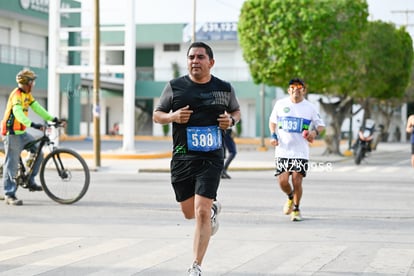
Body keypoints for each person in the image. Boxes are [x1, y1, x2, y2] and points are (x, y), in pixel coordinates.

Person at [153, 41, 241, 276]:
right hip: (182, 157)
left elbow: (236, 111)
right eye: (191, 57)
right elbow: (157, 115)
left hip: (211, 157)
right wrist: (173, 116)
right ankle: (211, 208)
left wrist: (231, 121)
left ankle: (196, 265)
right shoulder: (175, 87)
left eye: (200, 57)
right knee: (189, 213)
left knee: (200, 213)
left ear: (211, 62)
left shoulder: (224, 88)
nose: (195, 61)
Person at [1, 69, 61, 206]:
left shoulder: (28, 95)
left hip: (22, 133)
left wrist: (53, 118)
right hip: (12, 134)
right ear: (26, 82)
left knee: (39, 153)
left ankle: (30, 180)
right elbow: (17, 113)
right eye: (32, 81)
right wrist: (32, 124)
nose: (34, 84)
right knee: (11, 164)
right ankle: (9, 194)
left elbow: (38, 108)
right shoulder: (16, 95)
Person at [269, 78, 325, 222]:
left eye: (299, 87)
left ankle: (296, 208)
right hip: (283, 150)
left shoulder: (310, 107)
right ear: (289, 90)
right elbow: (273, 122)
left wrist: (313, 133)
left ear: (303, 90)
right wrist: (273, 135)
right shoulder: (280, 104)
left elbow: (320, 126)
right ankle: (290, 197)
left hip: (300, 151)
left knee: (297, 179)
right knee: (282, 181)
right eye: (293, 87)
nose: (296, 89)